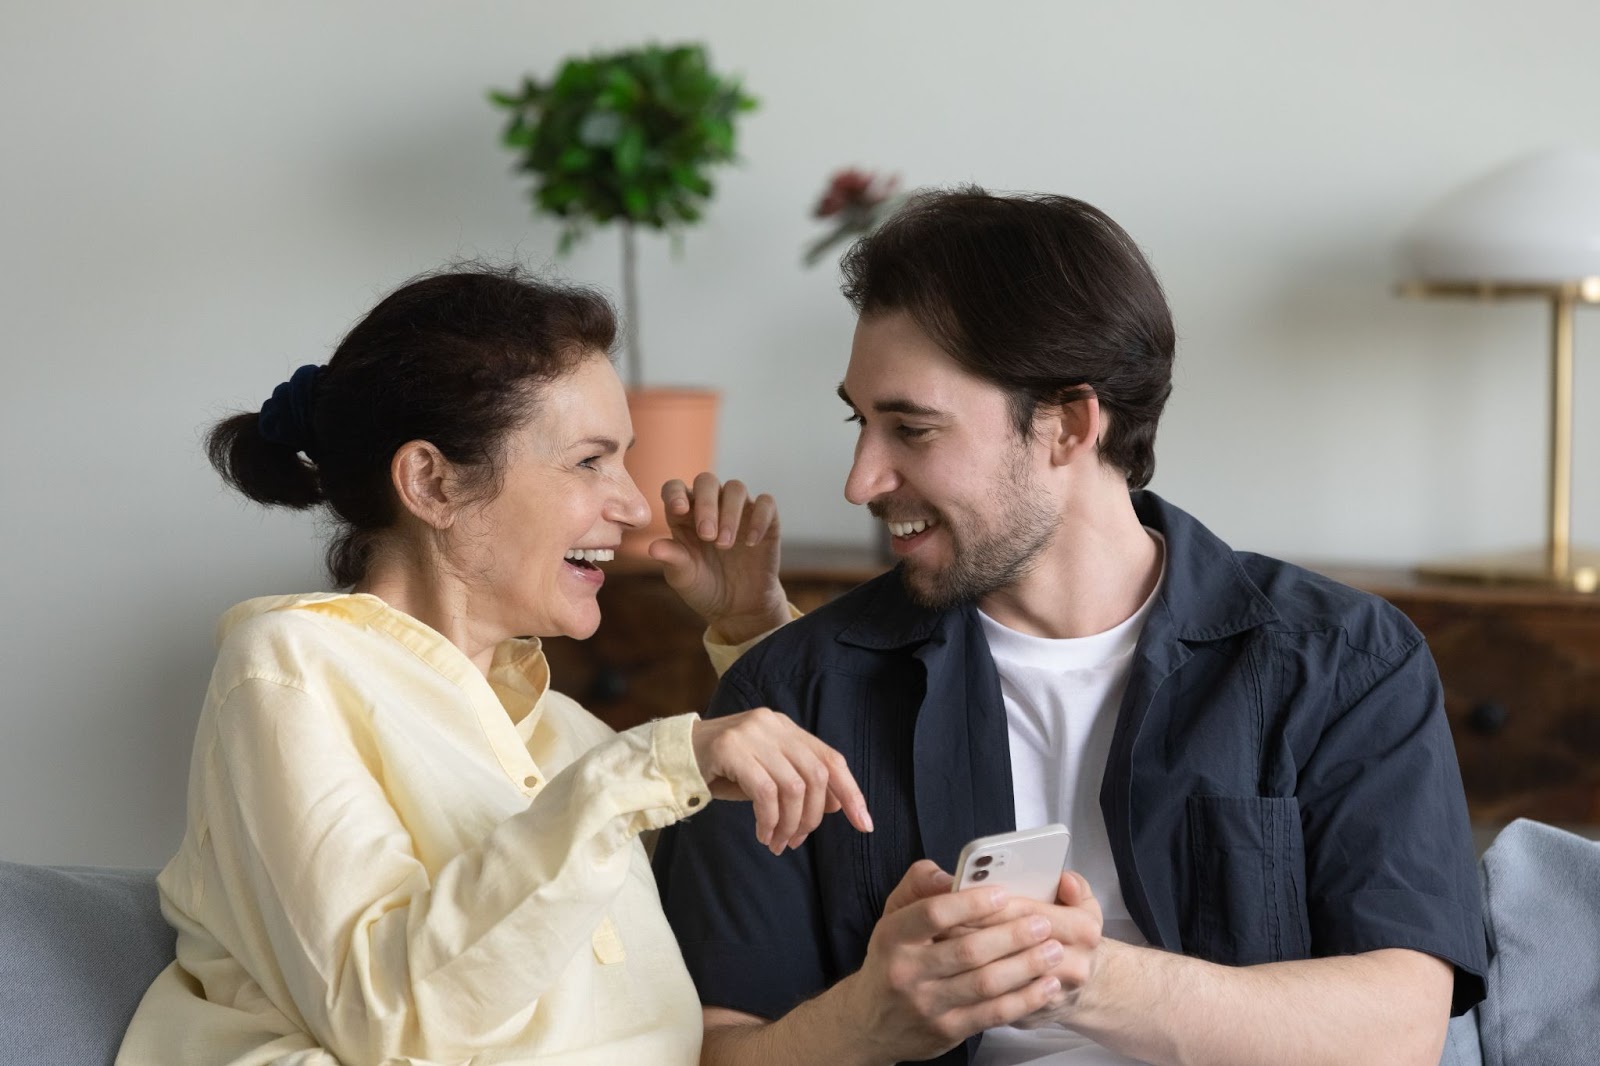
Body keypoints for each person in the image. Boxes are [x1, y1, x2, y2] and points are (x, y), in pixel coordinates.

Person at [653, 189, 1488, 1066]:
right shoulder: (791, 692)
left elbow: (1400, 1028)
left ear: (1069, 423)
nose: (862, 480)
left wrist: (1079, 975)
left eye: (912, 428)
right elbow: (715, 1050)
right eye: (861, 423)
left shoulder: (1345, 664)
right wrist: (868, 1018)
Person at [115, 267, 869, 1066]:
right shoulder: (288, 670)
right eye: (589, 462)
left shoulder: (566, 736)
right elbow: (393, 1020)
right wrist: (644, 769)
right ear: (432, 483)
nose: (635, 505)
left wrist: (754, 634)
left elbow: (808, 873)